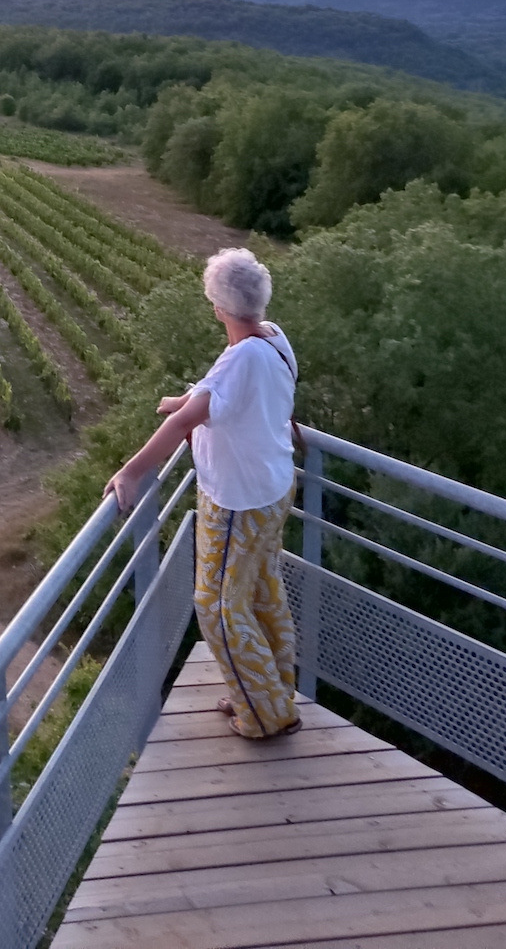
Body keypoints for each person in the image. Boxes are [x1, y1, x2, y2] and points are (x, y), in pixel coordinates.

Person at [104, 246, 300, 739]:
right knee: (259, 590)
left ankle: (265, 714)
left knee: (216, 605)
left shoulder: (241, 357)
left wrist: (131, 472)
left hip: (239, 500)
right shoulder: (273, 338)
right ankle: (268, 689)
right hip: (273, 488)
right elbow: (219, 396)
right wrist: (186, 398)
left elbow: (187, 419)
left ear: (218, 307)